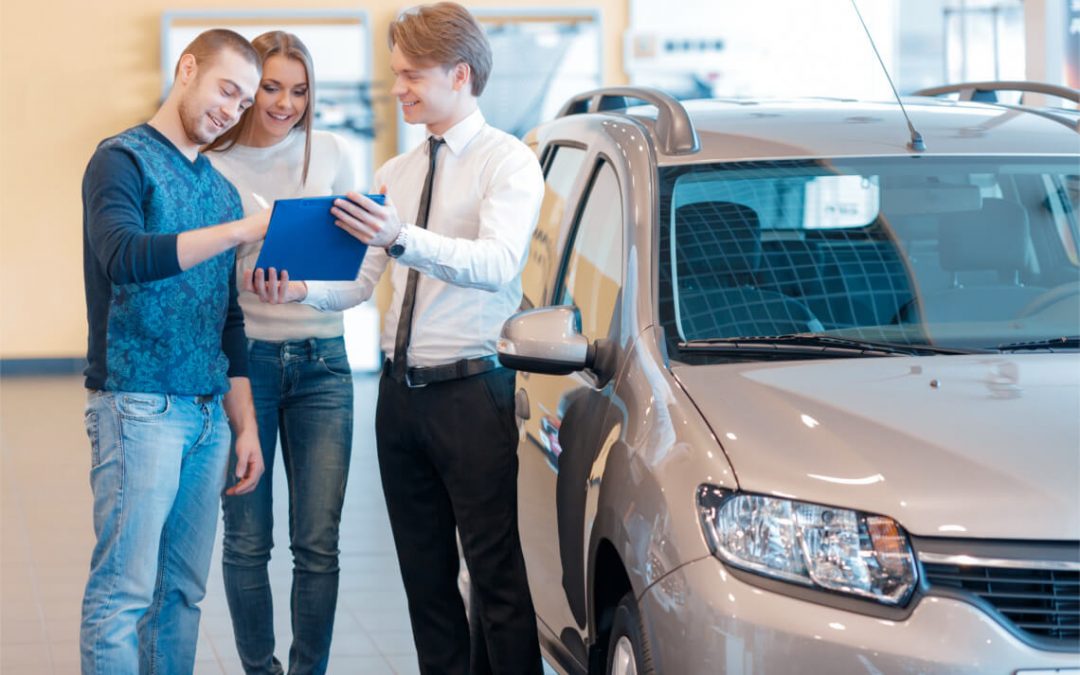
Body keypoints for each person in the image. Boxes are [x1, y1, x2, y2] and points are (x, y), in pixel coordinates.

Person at [251, 3, 544, 673]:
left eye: (411, 75)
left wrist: (401, 235)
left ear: (459, 74)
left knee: (495, 578)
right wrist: (303, 291)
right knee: (425, 582)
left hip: (472, 391)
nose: (399, 89)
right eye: (395, 75)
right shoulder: (395, 172)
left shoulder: (510, 163)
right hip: (400, 399)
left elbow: (498, 262)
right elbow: (361, 282)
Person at [80, 29, 269, 674]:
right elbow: (125, 257)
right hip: (137, 405)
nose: (232, 109)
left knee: (181, 596)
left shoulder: (219, 190)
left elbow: (229, 319)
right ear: (187, 69)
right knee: (123, 595)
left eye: (243, 102)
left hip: (208, 415)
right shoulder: (121, 160)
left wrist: (244, 426)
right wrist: (242, 231)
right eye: (226, 89)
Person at [204, 31, 358, 675]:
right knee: (246, 541)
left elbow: (360, 276)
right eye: (271, 87)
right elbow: (201, 274)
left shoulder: (333, 156)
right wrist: (247, 275)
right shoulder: (212, 163)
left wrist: (305, 288)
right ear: (246, 86)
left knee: (317, 545)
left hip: (323, 364)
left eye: (299, 90)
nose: (284, 103)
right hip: (247, 368)